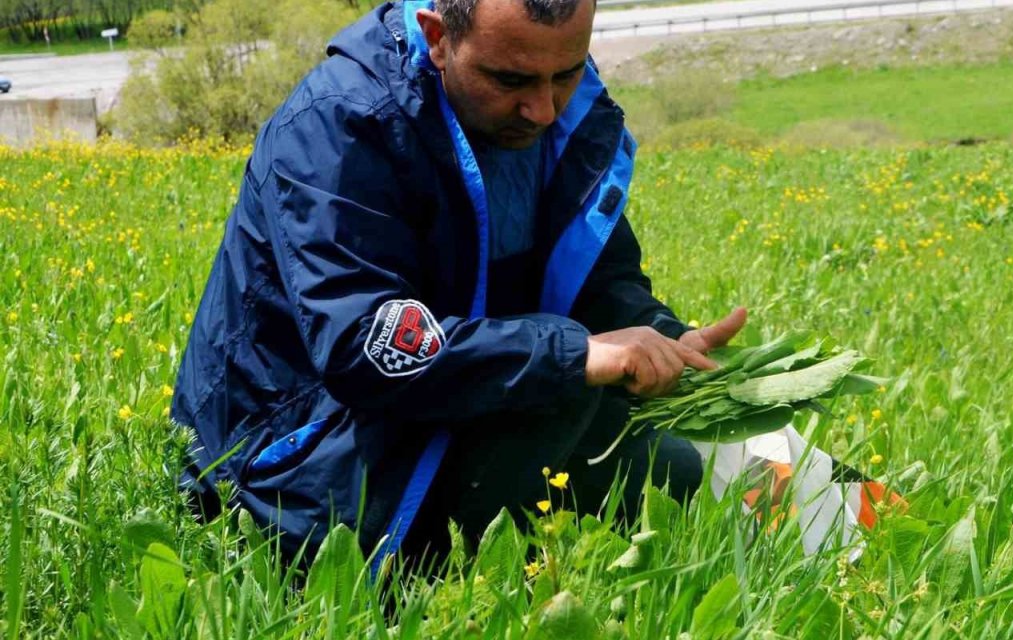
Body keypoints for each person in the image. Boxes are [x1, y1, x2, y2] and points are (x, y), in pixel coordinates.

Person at [170, 0, 748, 571]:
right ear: (438, 38)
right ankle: (458, 587)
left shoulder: (563, 116)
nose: (543, 109)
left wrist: (658, 338)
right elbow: (366, 347)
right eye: (512, 79)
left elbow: (599, 277)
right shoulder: (341, 126)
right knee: (577, 403)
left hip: (467, 397)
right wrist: (576, 354)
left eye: (566, 73)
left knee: (694, 475)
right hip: (293, 463)